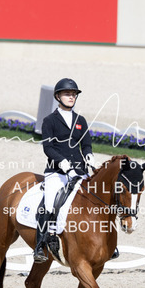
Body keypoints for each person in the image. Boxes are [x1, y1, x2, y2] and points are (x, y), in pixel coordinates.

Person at [33, 78, 96, 263]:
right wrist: (62, 162)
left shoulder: (80, 120)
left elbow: (86, 144)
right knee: (50, 202)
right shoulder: (50, 121)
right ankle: (40, 246)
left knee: (97, 197)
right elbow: (48, 148)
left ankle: (106, 241)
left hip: (79, 170)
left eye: (74, 94)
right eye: (67, 94)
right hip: (57, 171)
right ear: (58, 97)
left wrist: (89, 155)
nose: (71, 97)